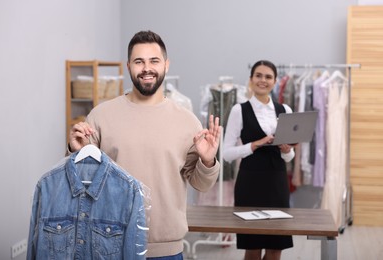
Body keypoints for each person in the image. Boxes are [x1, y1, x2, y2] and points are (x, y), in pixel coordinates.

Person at [68, 30, 221, 259]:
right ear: (129, 66)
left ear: (166, 65)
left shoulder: (188, 121)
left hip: (167, 250)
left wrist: (208, 160)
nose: (147, 68)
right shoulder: (101, 116)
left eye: (154, 61)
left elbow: (201, 184)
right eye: (139, 61)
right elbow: (79, 182)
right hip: (108, 245)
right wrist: (74, 152)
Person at [223, 60, 294, 260]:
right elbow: (226, 153)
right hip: (250, 183)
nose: (263, 80)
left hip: (277, 183)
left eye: (268, 77)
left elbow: (289, 158)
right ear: (251, 80)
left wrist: (287, 150)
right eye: (259, 76)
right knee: (253, 248)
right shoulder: (239, 110)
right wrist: (254, 145)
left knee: (276, 248)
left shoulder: (285, 110)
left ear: (275, 81)